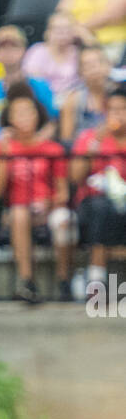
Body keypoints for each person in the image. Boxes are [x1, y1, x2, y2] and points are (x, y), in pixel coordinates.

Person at [0, 84, 73, 304]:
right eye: (18, 113)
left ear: (38, 116)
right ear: (9, 118)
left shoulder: (54, 149)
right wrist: (3, 154)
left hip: (47, 208)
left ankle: (64, 282)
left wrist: (48, 204)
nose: (24, 117)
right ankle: (27, 282)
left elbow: (62, 192)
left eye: (29, 111)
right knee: (19, 214)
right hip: (12, 211)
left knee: (63, 220)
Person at [71, 83, 126, 291]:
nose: (117, 115)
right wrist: (95, 144)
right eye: (112, 109)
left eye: (122, 109)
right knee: (102, 209)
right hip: (93, 205)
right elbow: (76, 176)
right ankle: (96, 280)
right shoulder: (90, 137)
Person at [0, 24, 56, 140]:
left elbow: (53, 123)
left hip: (36, 152)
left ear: (24, 50)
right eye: (2, 46)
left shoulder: (40, 86)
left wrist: (35, 141)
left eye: (14, 45)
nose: (8, 51)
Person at [21, 13, 88, 108]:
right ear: (48, 32)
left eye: (67, 30)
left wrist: (86, 36)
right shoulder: (37, 51)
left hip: (71, 102)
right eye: (58, 30)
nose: (62, 34)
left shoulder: (78, 53)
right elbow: (32, 79)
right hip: (42, 101)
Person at [60, 44, 112, 142]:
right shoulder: (72, 100)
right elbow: (66, 141)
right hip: (84, 153)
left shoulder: (120, 95)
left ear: (109, 65)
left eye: (99, 62)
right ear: (80, 72)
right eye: (88, 65)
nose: (95, 69)